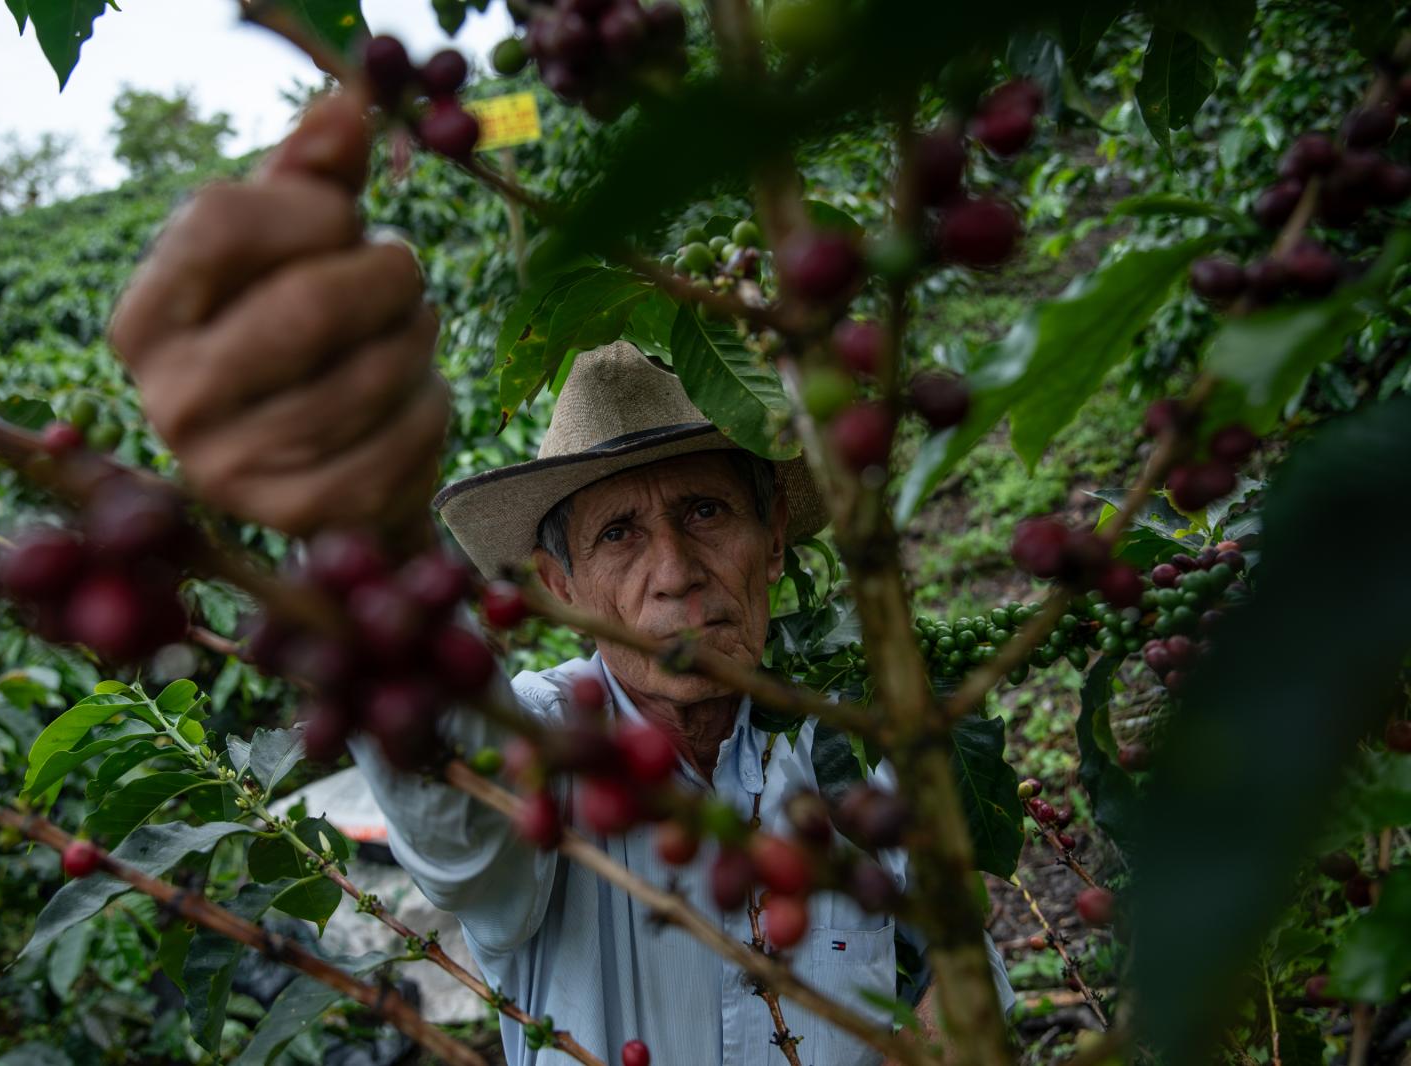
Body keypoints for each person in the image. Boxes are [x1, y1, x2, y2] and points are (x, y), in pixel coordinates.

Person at [109, 89, 1013, 1065]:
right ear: (557, 586)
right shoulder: (547, 751)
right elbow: (454, 791)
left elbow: (957, 981)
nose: (673, 570)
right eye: (619, 533)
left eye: (705, 511)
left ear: (774, 536)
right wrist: (354, 512)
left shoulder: (856, 747)